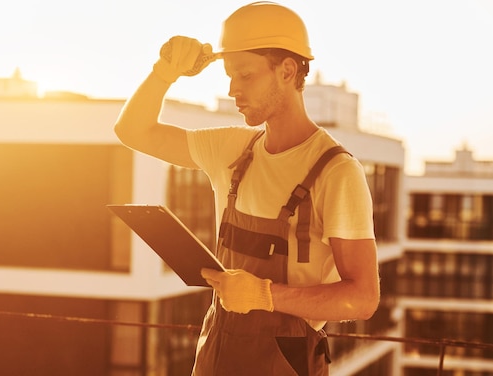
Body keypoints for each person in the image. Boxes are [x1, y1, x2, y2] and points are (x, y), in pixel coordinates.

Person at [114, 2, 380, 375]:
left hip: (285, 362)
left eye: (244, 75)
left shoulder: (336, 172)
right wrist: (164, 73)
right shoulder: (233, 149)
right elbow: (133, 132)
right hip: (217, 352)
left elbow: (363, 299)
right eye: (229, 76)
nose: (233, 89)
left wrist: (263, 295)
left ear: (287, 71)